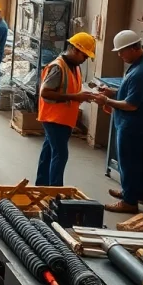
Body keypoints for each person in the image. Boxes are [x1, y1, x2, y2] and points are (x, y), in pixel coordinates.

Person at [93, 30, 143, 214]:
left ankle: (130, 202)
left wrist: (106, 101)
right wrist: (112, 92)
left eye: (122, 51)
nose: (119, 55)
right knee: (137, 161)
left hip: (132, 124)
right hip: (140, 123)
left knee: (128, 162)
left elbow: (131, 105)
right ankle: (135, 193)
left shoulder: (140, 72)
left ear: (133, 48)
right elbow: (130, 93)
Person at [35, 32, 98, 186]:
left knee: (49, 151)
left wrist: (84, 93)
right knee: (60, 154)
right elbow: (45, 92)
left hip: (63, 118)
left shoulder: (74, 67)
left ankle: (42, 186)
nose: (84, 60)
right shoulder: (58, 67)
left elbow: (70, 88)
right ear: (75, 50)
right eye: (84, 56)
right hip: (54, 118)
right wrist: (75, 97)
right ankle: (56, 191)